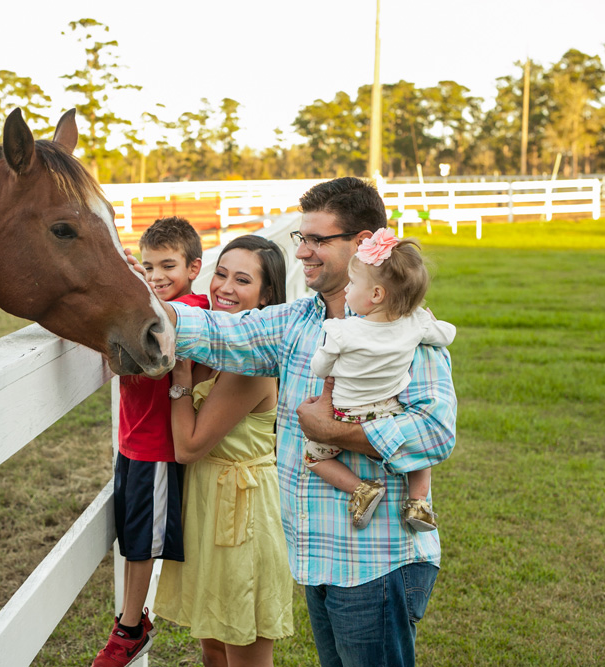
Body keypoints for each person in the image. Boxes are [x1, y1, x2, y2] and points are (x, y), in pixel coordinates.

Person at [148, 177, 457, 667]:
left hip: (376, 561)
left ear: (361, 245)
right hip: (317, 557)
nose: (303, 252)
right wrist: (135, 300)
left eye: (318, 240)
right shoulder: (298, 321)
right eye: (302, 238)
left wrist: (333, 432)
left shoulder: (406, 332)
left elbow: (435, 432)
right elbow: (219, 331)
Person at [153, 236, 294, 667]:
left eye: (243, 280)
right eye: (221, 273)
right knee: (213, 644)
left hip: (242, 511)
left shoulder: (251, 363)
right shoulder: (215, 342)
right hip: (208, 501)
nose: (225, 288)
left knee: (244, 649)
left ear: (267, 295)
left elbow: (189, 445)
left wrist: (179, 377)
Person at [93, 216, 209, 667]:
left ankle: (130, 627)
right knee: (130, 535)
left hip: (158, 446)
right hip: (132, 441)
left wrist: (133, 286)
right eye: (149, 267)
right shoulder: (148, 303)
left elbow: (163, 330)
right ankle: (131, 616)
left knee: (141, 541)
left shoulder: (193, 308)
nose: (158, 277)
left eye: (168, 266)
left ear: (193, 268)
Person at [306, 228, 456, 532]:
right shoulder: (415, 324)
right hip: (389, 410)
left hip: (346, 413)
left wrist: (328, 358)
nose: (347, 290)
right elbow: (447, 334)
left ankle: (362, 489)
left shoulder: (342, 331)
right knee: (419, 457)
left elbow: (319, 369)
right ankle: (418, 502)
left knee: (313, 458)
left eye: (353, 284)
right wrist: (426, 318)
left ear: (376, 294)